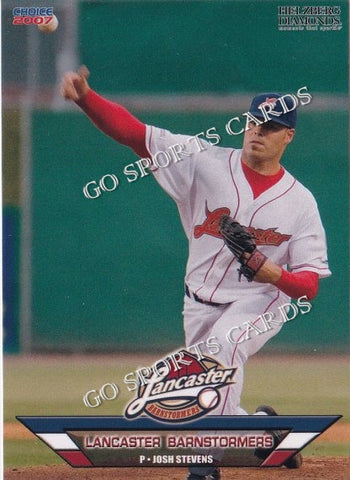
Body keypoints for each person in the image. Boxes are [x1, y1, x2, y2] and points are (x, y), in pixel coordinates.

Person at [60, 67, 331, 480]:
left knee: (223, 350)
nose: (258, 131)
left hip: (261, 300)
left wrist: (274, 273)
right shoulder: (202, 161)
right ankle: (267, 435)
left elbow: (308, 286)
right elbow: (135, 134)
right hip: (198, 299)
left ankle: (204, 463)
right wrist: (86, 98)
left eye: (271, 127)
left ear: (288, 136)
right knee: (201, 387)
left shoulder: (301, 202)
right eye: (254, 122)